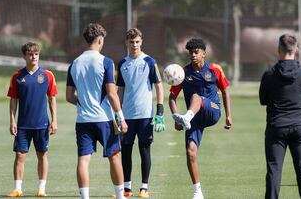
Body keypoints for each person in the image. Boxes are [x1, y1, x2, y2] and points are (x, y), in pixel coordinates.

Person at [66, 23, 128, 199]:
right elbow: (111, 94)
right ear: (100, 40)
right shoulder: (106, 62)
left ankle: (84, 197)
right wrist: (121, 118)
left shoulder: (74, 64)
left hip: (83, 120)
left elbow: (69, 96)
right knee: (115, 157)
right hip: (104, 119)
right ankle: (120, 196)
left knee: (83, 160)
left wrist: (84, 103)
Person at [168, 38, 232, 199]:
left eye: (196, 52)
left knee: (197, 97)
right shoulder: (183, 72)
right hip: (194, 117)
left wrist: (229, 116)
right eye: (190, 53)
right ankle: (198, 192)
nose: (193, 55)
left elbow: (225, 91)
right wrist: (176, 118)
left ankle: (187, 117)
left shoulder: (215, 69)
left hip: (213, 111)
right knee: (190, 153)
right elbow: (172, 96)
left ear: (204, 53)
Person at [259, 34, 301, 199]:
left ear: (278, 50)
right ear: (296, 50)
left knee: (274, 169)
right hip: (300, 127)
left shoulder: (269, 74)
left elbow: (263, 100)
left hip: (277, 127)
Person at [116, 28, 165, 198]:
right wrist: (118, 112)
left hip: (145, 115)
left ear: (141, 42)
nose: (134, 44)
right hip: (127, 116)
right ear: (127, 43)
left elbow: (159, 86)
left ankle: (144, 187)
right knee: (126, 151)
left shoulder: (150, 62)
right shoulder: (122, 64)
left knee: (144, 150)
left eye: (137, 41)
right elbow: (120, 89)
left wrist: (159, 111)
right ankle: (126, 187)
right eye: (131, 42)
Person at [7, 42, 58, 197]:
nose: (33, 56)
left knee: (42, 154)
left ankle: (41, 189)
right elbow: (13, 100)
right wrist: (12, 120)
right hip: (23, 125)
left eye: (36, 54)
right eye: (30, 54)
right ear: (25, 56)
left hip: (42, 124)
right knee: (19, 156)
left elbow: (52, 99)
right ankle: (18, 189)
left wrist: (54, 120)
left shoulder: (48, 75)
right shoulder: (17, 76)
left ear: (39, 55)